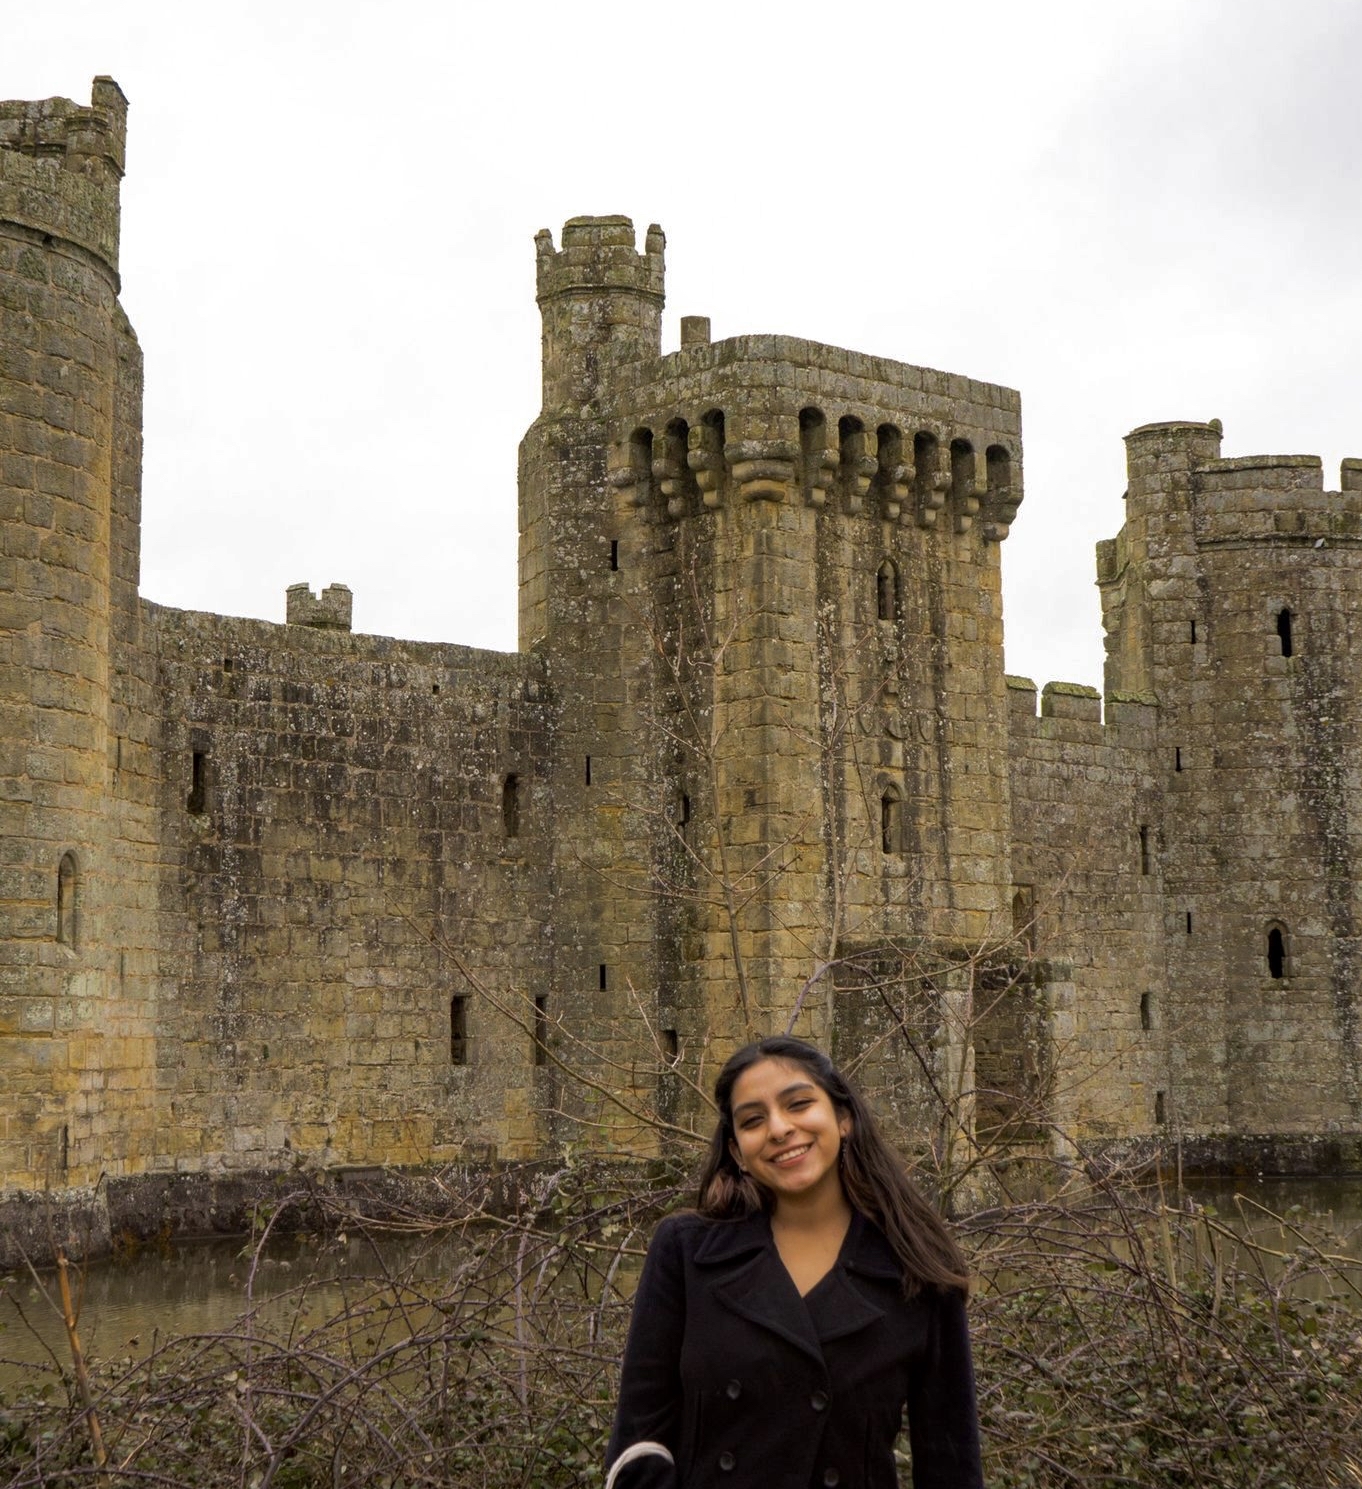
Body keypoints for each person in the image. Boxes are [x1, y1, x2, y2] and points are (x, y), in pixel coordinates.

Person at [605, 1035, 984, 1489]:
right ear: (736, 1153)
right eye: (753, 1120)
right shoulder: (685, 1251)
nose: (779, 1129)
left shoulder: (918, 1265)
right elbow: (638, 1443)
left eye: (799, 1104)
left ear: (843, 1118)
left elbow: (950, 1464)